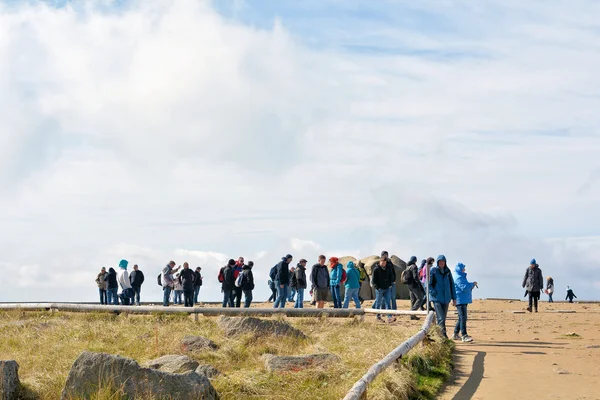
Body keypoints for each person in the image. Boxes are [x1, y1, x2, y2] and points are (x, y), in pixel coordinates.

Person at [429, 255, 456, 338]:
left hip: (446, 298)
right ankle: (442, 336)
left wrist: (454, 298)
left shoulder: (448, 272)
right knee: (440, 318)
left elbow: (452, 284)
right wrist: (433, 292)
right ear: (437, 262)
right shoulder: (433, 270)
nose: (442, 263)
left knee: (443, 318)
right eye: (440, 261)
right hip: (437, 298)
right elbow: (428, 284)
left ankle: (441, 334)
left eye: (443, 261)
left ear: (445, 262)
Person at [452, 263, 477, 343]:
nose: (464, 270)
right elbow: (464, 287)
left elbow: (465, 286)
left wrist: (471, 285)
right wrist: (472, 284)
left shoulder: (461, 276)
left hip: (462, 299)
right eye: (463, 268)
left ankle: (455, 333)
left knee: (461, 317)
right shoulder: (458, 277)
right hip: (460, 300)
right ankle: (464, 335)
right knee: (463, 317)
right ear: (460, 269)